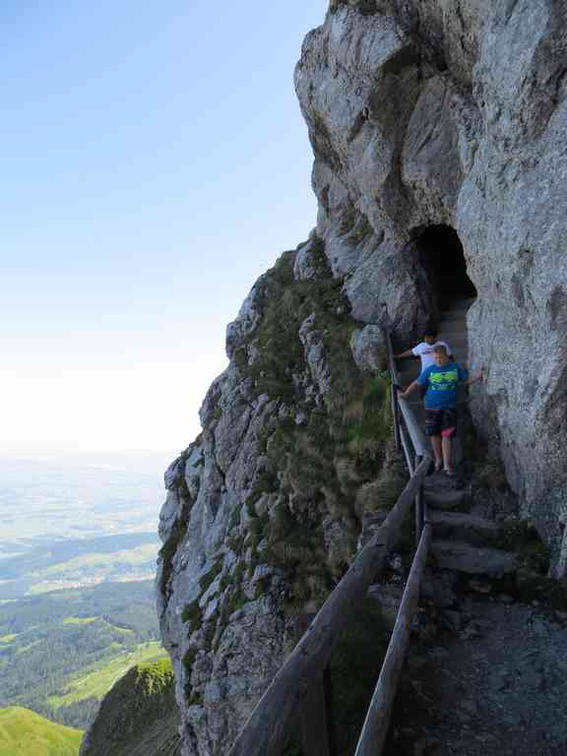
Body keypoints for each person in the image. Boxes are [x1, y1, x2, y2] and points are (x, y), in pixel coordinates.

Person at [397, 345, 482, 475]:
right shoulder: (430, 370)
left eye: (440, 357)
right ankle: (438, 460)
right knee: (434, 434)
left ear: (446, 356)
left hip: (449, 407)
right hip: (431, 406)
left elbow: (465, 381)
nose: (438, 360)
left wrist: (478, 376)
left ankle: (447, 466)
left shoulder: (455, 367)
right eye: (435, 358)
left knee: (446, 434)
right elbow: (417, 383)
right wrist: (406, 394)